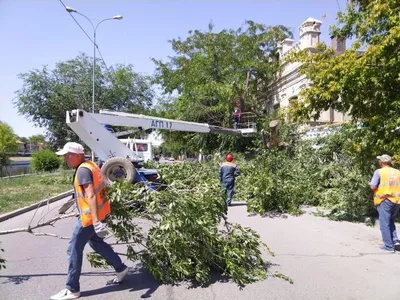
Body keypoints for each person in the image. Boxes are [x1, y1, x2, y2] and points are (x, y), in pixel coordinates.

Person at [51, 142, 128, 300]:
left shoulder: (83, 170)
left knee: (73, 249)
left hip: (89, 219)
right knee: (96, 243)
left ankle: (72, 289)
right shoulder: (90, 165)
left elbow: (91, 195)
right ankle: (121, 268)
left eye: (68, 155)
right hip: (98, 214)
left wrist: (95, 221)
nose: (65, 158)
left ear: (77, 155)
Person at [369, 154, 400, 252]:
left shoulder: (379, 172)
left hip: (384, 199)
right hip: (397, 200)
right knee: (390, 221)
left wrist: (371, 185)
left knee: (384, 223)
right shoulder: (398, 172)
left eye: (379, 161)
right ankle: (395, 242)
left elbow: (373, 186)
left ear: (381, 162)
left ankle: (388, 246)